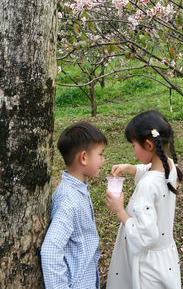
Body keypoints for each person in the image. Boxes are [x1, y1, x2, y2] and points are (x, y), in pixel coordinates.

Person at [105, 111, 183, 289]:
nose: (133, 150)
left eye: (133, 145)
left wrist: (120, 211)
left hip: (147, 267)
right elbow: (151, 170)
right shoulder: (169, 165)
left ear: (148, 144)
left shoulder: (147, 186)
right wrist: (131, 168)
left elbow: (146, 236)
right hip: (165, 259)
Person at [41, 122, 107, 289]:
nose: (103, 160)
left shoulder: (78, 188)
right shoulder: (69, 201)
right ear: (84, 157)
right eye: (100, 154)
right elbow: (50, 251)